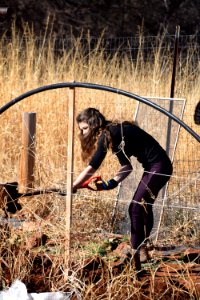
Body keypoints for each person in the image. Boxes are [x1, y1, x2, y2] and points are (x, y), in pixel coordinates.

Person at [73, 107, 173, 273]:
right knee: (144, 206)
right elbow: (126, 167)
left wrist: (74, 185)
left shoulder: (109, 133)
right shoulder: (113, 134)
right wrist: (111, 183)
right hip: (152, 167)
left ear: (93, 124)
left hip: (159, 166)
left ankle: (136, 252)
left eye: (84, 128)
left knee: (135, 207)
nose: (82, 133)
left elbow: (93, 166)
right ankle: (143, 248)